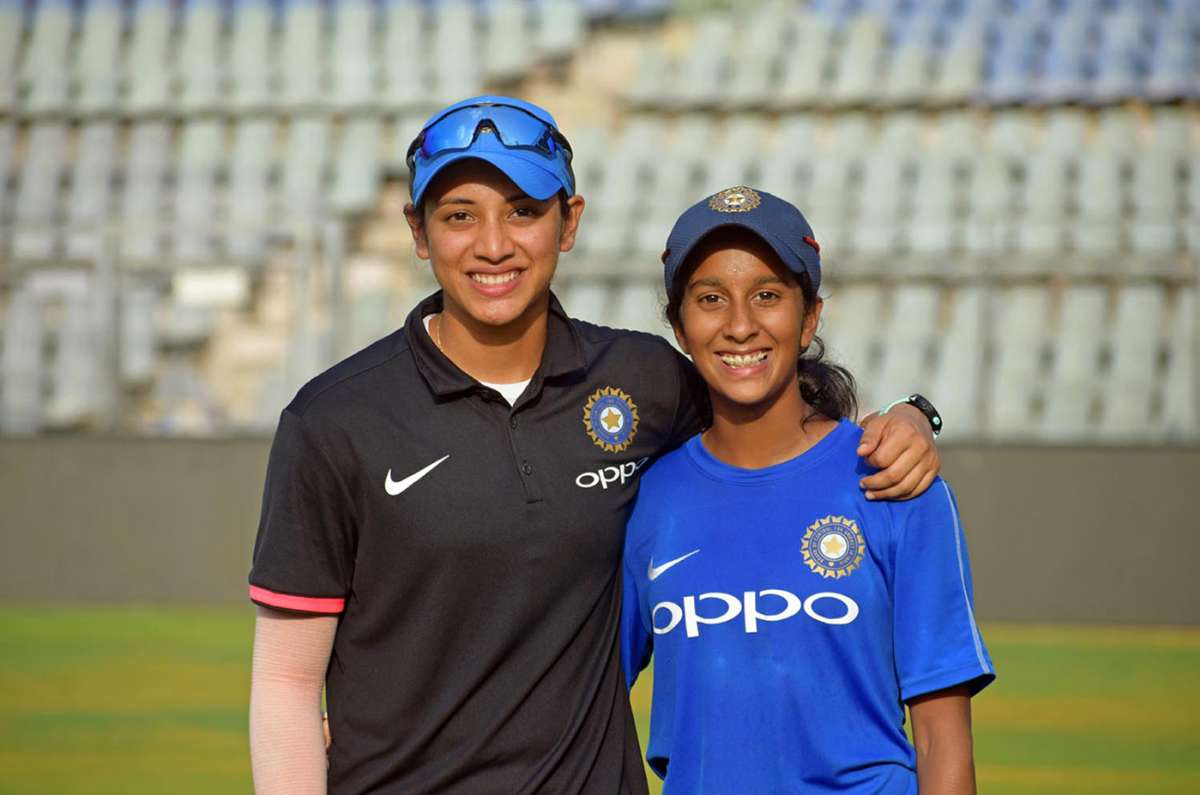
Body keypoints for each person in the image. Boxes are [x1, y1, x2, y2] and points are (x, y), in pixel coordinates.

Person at [247, 97, 943, 794]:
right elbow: (285, 684)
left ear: (568, 221)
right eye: (460, 214)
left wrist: (912, 415)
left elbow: (770, 404)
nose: (493, 244)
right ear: (418, 231)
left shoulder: (644, 380)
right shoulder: (333, 420)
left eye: (524, 210)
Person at [621, 186, 995, 794]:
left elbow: (941, 741)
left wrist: (911, 413)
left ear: (810, 316)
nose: (741, 325)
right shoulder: (648, 498)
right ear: (679, 327)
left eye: (767, 296)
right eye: (711, 299)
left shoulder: (895, 480)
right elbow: (580, 692)